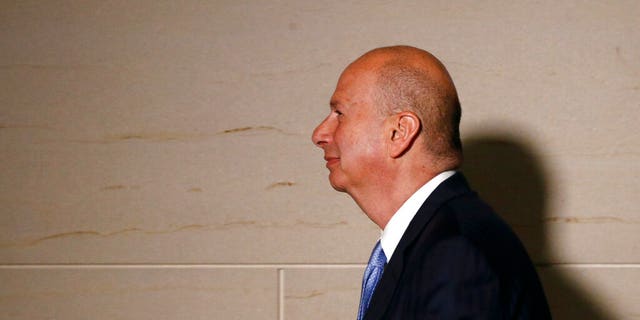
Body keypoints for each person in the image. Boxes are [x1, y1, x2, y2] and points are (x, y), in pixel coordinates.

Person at [311, 46, 552, 319]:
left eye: (339, 114)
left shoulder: (455, 259)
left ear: (399, 132)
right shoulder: (440, 241)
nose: (319, 134)